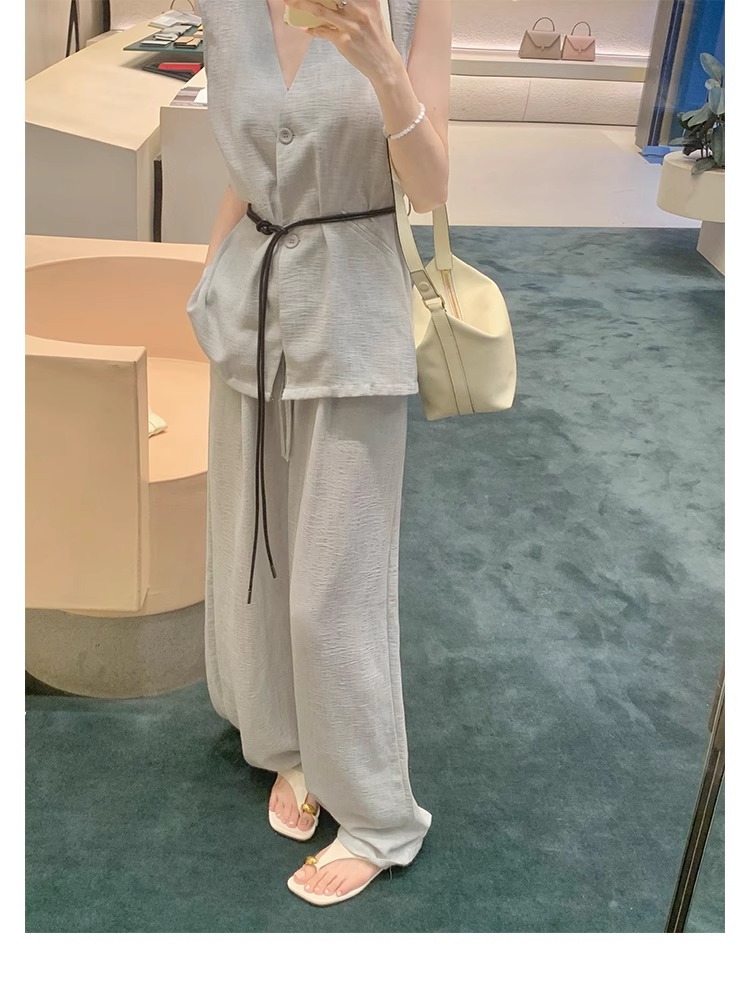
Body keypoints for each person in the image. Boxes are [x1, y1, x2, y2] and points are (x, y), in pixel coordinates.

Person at [187, 0, 451, 906]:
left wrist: (383, 64)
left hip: (354, 318)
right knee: (254, 559)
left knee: (333, 593)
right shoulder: (227, 10)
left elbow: (431, 186)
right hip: (250, 312)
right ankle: (288, 744)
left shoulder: (409, 9)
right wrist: (207, 285)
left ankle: (380, 817)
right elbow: (249, 169)